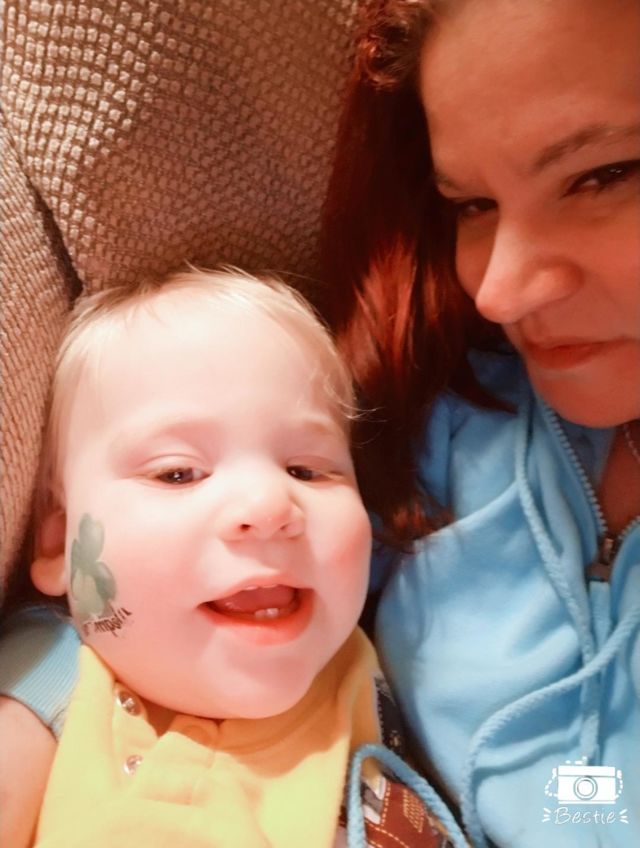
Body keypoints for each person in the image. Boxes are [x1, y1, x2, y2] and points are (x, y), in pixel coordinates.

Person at [321, 1, 640, 847]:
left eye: (604, 175)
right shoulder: (440, 417)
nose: (497, 292)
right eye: (471, 205)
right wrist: (39, 696)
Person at [22, 268, 466, 848]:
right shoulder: (45, 690)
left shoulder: (396, 664)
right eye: (178, 473)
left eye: (307, 470)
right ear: (59, 542)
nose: (270, 506)